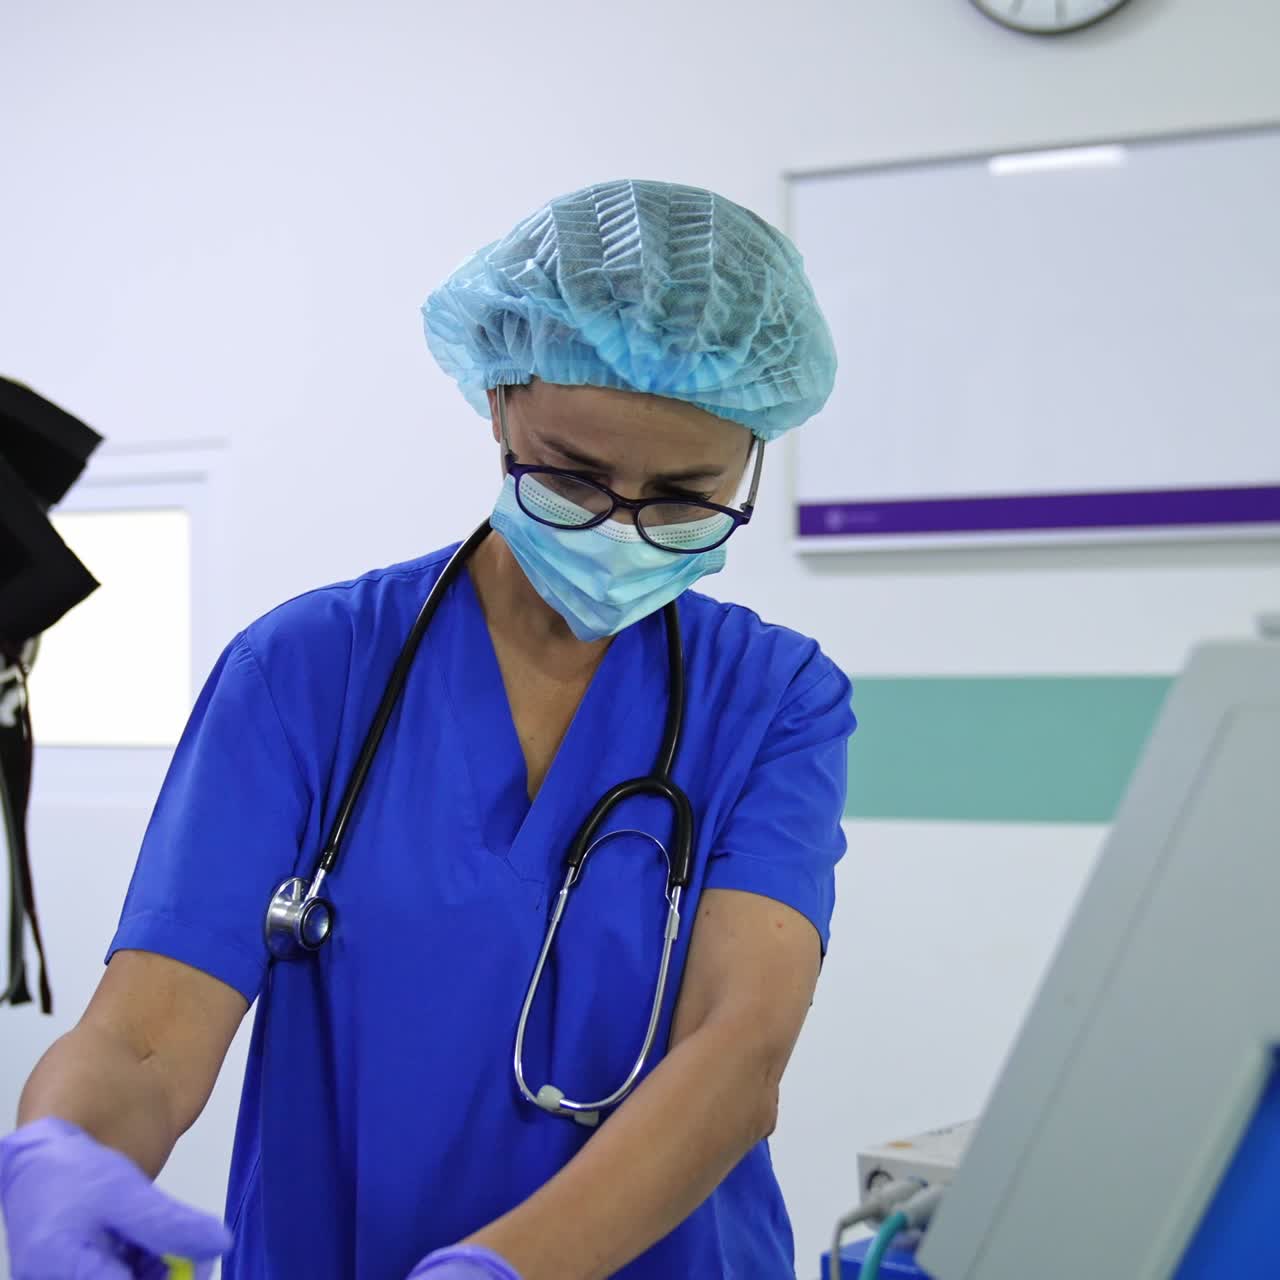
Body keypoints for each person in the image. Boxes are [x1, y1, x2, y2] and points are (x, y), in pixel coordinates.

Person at [0, 179, 855, 1280]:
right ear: (499, 403)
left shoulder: (774, 696)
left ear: (752, 452)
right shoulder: (305, 671)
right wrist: (64, 1152)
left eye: (683, 495)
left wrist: (500, 1268)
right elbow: (145, 1035)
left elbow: (735, 1052)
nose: (620, 528)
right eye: (572, 475)